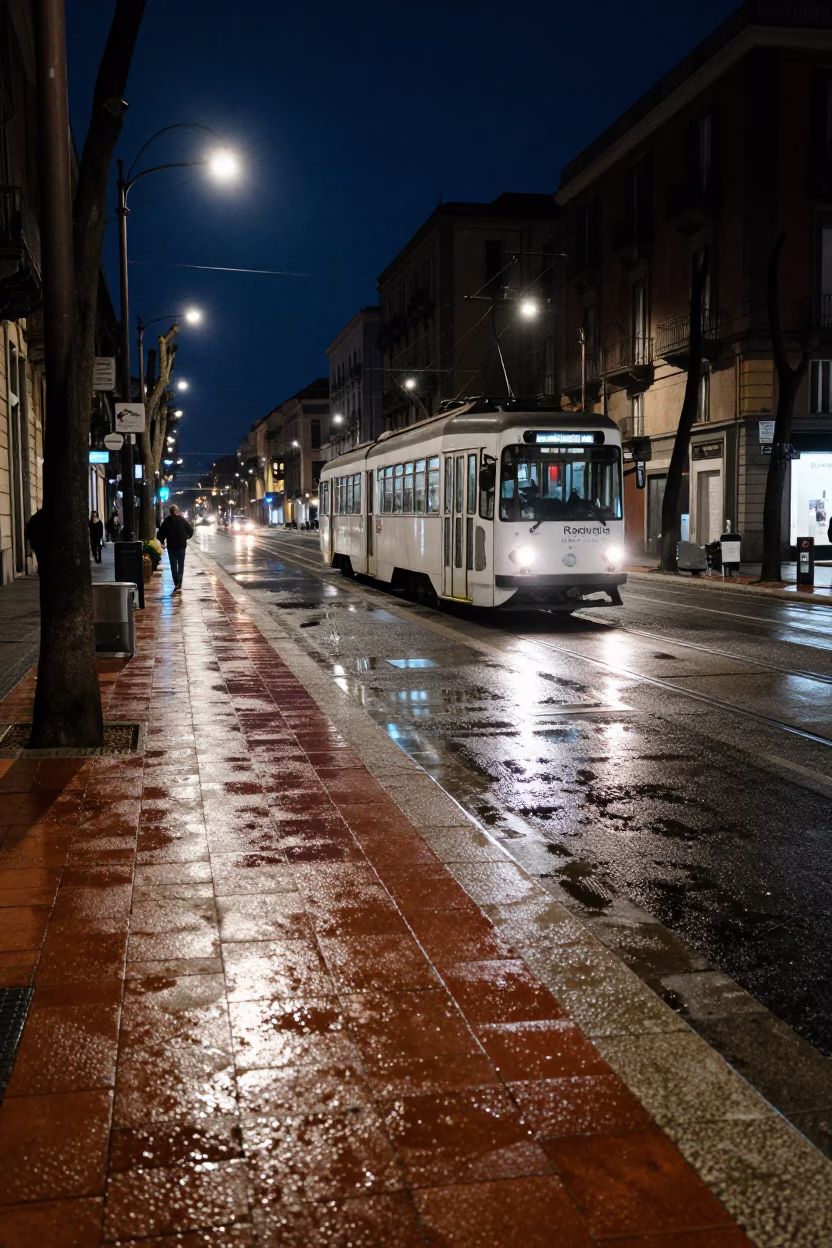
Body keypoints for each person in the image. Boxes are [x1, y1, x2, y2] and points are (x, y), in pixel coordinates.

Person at [157, 504, 194, 593]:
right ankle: (179, 582)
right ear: (177, 511)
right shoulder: (182, 520)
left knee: (173, 565)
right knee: (180, 565)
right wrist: (187, 537)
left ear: (170, 512)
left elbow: (161, 533)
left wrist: (162, 542)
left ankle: (176, 582)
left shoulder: (166, 521)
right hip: (181, 546)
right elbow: (191, 530)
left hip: (172, 546)